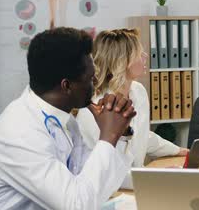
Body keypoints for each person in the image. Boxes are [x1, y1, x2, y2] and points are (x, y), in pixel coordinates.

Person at [0, 27, 135, 209]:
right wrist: (108, 136)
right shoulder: (19, 133)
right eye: (91, 79)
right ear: (66, 86)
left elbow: (98, 183)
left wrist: (121, 134)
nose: (95, 85)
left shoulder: (63, 120)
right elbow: (77, 205)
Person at [76, 29, 188, 188]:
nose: (145, 56)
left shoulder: (138, 91)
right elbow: (104, 170)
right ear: (122, 61)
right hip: (108, 191)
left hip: (135, 184)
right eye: (139, 53)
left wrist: (177, 150)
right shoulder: (96, 107)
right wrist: (156, 178)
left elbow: (142, 135)